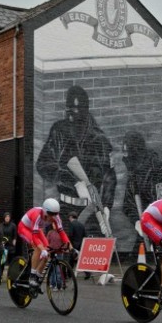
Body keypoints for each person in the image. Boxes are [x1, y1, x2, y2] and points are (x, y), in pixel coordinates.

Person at [36, 85, 117, 238]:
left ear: (85, 111)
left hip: (91, 209)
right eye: (68, 109)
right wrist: (73, 182)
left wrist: (106, 208)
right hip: (64, 208)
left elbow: (109, 177)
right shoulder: (58, 131)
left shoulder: (100, 139)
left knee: (91, 253)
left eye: (74, 110)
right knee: (61, 250)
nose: (70, 114)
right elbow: (43, 163)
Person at [121, 131, 162, 227]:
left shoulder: (156, 171)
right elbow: (128, 204)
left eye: (127, 152)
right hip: (145, 227)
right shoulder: (133, 173)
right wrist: (137, 222)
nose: (125, 156)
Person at [18, 198, 72, 288]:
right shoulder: (37, 215)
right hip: (24, 228)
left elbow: (62, 232)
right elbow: (34, 237)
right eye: (51, 214)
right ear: (45, 212)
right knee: (39, 248)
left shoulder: (55, 217)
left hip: (36, 229)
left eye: (56, 214)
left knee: (48, 251)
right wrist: (42, 249)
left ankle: (37, 277)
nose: (53, 217)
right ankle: (32, 276)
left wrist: (71, 248)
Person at [68, 211, 90, 280]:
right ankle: (87, 273)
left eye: (69, 217)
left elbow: (70, 235)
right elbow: (85, 235)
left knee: (71, 261)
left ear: (71, 217)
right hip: (80, 245)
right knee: (78, 260)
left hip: (73, 245)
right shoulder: (81, 225)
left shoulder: (72, 224)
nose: (69, 219)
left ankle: (68, 274)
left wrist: (69, 245)